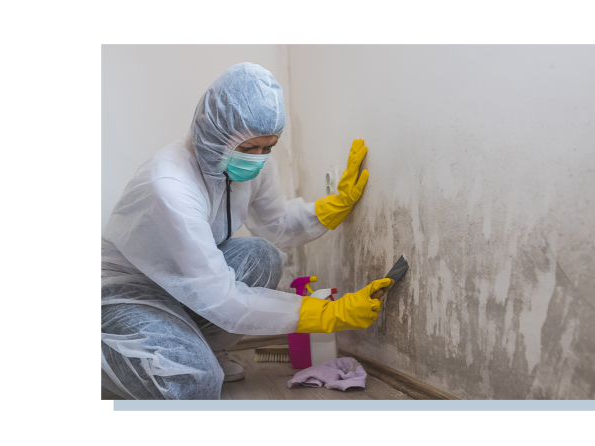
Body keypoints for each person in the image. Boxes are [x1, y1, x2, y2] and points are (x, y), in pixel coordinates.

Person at [101, 62, 391, 400]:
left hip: (185, 287)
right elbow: (221, 299)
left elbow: (277, 224)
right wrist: (328, 313)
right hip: (129, 290)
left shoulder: (252, 164)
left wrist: (333, 206)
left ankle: (199, 347)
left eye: (268, 147)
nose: (258, 158)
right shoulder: (170, 184)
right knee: (194, 381)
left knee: (262, 256)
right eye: (249, 148)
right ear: (211, 130)